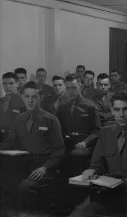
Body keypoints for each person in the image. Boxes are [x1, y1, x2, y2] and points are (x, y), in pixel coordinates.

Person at [0, 81, 65, 216]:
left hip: (43, 166)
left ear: (40, 98)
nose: (30, 100)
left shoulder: (51, 120)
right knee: (5, 183)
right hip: (23, 164)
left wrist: (45, 167)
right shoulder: (19, 119)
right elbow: (10, 142)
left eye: (34, 97)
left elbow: (59, 150)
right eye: (27, 97)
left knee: (24, 187)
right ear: (22, 97)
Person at [57, 74, 101, 177]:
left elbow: (97, 131)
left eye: (74, 88)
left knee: (75, 155)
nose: (71, 91)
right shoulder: (62, 107)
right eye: (68, 88)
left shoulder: (90, 106)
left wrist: (85, 142)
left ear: (80, 87)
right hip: (66, 142)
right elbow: (59, 129)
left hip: (84, 143)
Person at [0, 72, 26, 142]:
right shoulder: (1, 101)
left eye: (11, 83)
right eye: (5, 83)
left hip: (16, 138)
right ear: (2, 85)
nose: (7, 86)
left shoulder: (25, 102)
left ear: (17, 84)